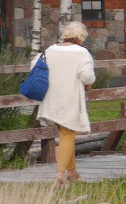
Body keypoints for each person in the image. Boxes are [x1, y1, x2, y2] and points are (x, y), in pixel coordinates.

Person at [36, 21, 95, 184]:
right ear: (81, 36)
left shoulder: (50, 50)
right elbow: (87, 77)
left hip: (51, 98)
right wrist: (91, 81)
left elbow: (35, 65)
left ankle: (73, 173)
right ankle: (60, 174)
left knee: (65, 134)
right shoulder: (81, 52)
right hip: (70, 99)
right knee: (68, 134)